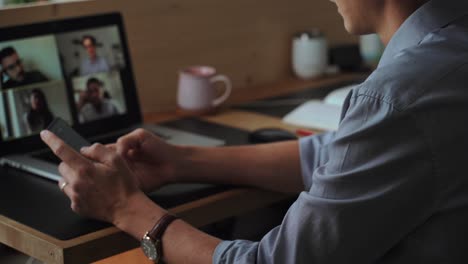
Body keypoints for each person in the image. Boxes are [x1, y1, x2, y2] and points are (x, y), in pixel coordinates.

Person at [41, 0, 468, 263]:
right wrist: (182, 161)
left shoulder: (397, 97)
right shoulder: (446, 55)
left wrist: (125, 208)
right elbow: (337, 154)